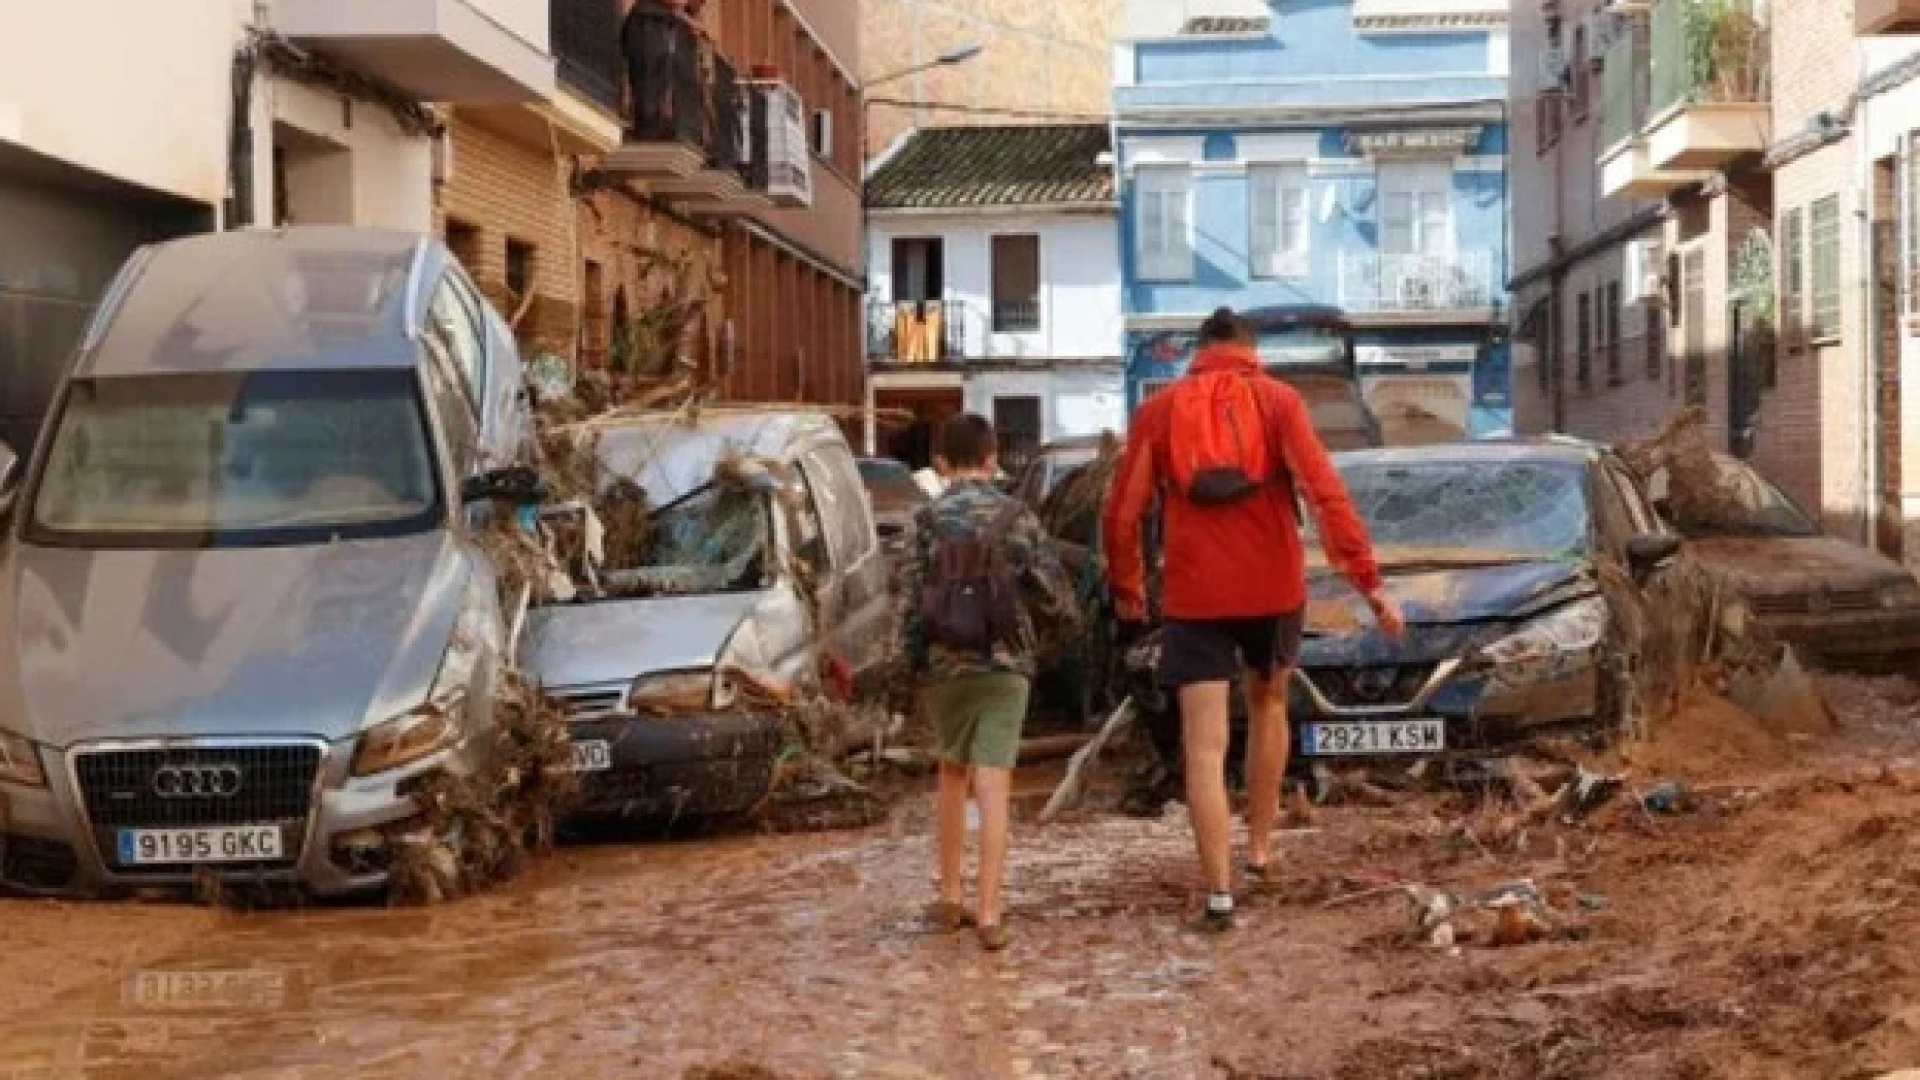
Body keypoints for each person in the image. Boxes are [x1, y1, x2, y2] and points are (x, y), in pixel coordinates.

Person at [1102, 307, 1405, 932]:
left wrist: (1128, 588)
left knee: (1204, 748)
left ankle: (1218, 892)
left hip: (1195, 596)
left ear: (1198, 350)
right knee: (1269, 705)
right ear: (1249, 349)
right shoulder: (1279, 402)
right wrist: (1369, 583)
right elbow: (1325, 492)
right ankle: (1261, 846)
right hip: (1272, 587)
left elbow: (1122, 513)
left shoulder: (1159, 412)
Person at [899, 413, 1079, 951]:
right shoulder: (1017, 518)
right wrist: (1045, 647)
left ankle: (951, 896)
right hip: (1005, 667)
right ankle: (990, 911)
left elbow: (909, 603)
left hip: (946, 667)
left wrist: (914, 663)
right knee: (994, 780)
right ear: (993, 458)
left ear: (941, 464)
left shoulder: (927, 521)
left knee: (952, 774)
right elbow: (1056, 598)